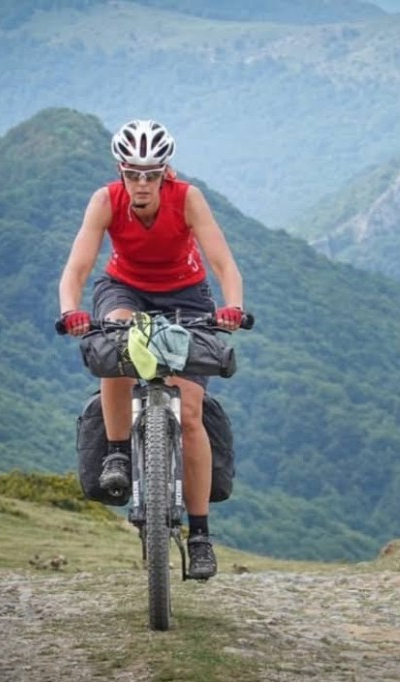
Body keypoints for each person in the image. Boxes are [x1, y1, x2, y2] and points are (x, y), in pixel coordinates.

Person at [58, 119, 245, 579]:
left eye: (151, 174)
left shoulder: (188, 199)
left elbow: (222, 261)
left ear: (165, 173)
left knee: (191, 413)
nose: (142, 183)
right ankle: (117, 452)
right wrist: (70, 310)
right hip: (124, 288)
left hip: (187, 295)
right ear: (120, 171)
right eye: (133, 173)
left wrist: (234, 307)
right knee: (117, 343)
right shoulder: (106, 201)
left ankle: (199, 536)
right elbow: (78, 265)